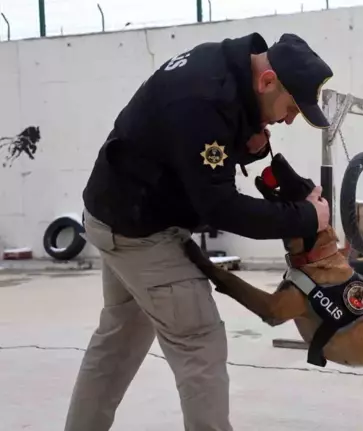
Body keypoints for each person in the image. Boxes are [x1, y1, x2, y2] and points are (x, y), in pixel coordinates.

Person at [64, 32, 333, 431]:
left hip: (115, 215)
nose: (290, 119)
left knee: (117, 344)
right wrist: (309, 219)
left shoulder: (222, 66)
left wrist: (246, 146)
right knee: (199, 345)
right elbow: (221, 207)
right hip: (141, 232)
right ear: (267, 80)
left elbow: (188, 150)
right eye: (292, 107)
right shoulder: (205, 100)